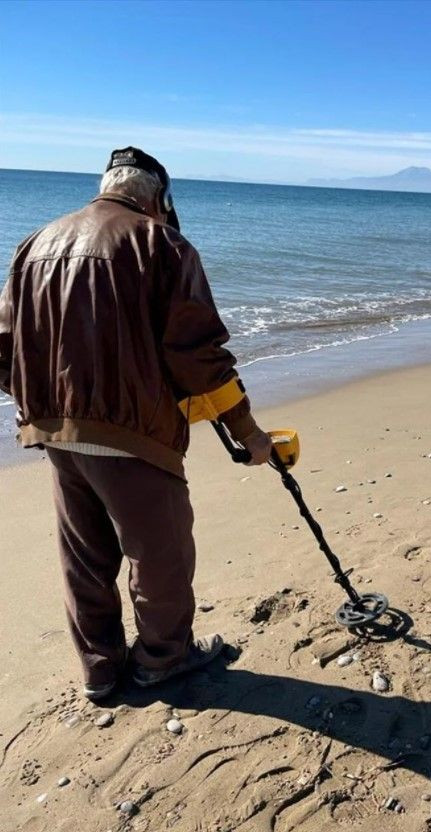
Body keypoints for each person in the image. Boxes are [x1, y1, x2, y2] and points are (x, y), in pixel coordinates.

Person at [0, 147, 272, 700]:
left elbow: (5, 349)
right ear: (158, 198)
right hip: (134, 436)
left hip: (55, 432)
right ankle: (162, 661)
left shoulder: (35, 243)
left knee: (85, 558)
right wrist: (249, 434)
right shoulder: (162, 244)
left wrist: (46, 405)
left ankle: (100, 670)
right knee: (161, 556)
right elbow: (199, 356)